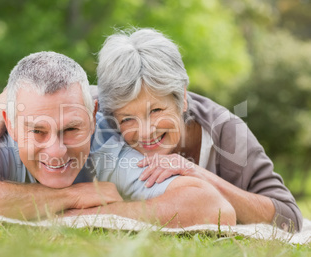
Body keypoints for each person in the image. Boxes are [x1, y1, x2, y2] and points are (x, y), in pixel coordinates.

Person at [0, 51, 236, 228]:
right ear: (10, 124)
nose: (57, 150)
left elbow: (213, 207)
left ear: (93, 118)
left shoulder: (107, 146)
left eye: (72, 129)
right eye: (38, 132)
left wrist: (92, 215)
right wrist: (71, 198)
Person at [91, 28, 302, 232]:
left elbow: (289, 218)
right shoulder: (98, 119)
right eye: (128, 119)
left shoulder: (227, 133)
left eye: (156, 110)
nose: (146, 132)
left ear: (182, 98)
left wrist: (196, 173)